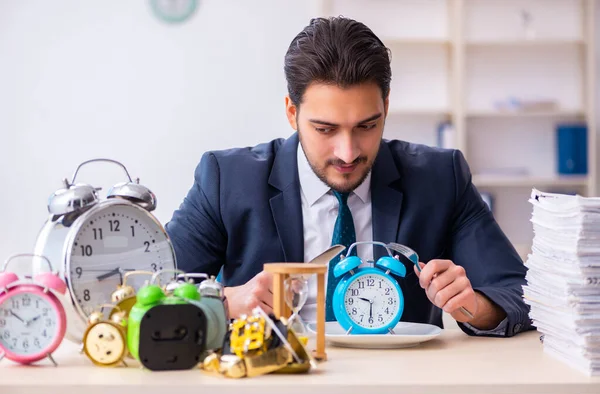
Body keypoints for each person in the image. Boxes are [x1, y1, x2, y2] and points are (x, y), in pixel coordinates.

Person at [165, 16, 532, 337]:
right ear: (292, 113)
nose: (348, 152)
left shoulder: (440, 177)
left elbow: (519, 292)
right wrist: (226, 301)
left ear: (386, 108)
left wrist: (474, 306)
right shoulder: (225, 180)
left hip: (399, 385)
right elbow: (145, 290)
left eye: (367, 126)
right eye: (325, 129)